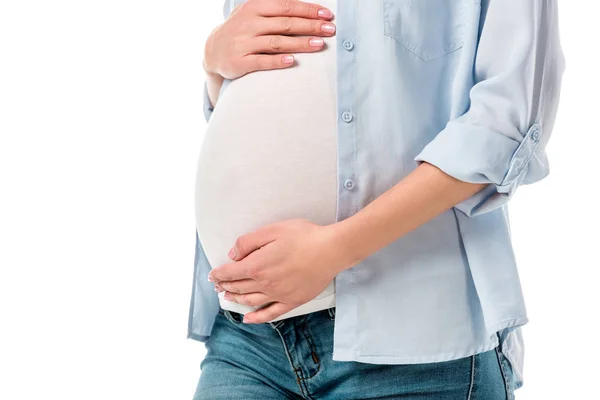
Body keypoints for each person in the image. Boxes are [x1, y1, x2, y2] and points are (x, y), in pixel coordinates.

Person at [189, 0, 565, 398]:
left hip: (413, 346)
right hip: (248, 338)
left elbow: (505, 124)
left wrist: (334, 249)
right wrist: (215, 62)